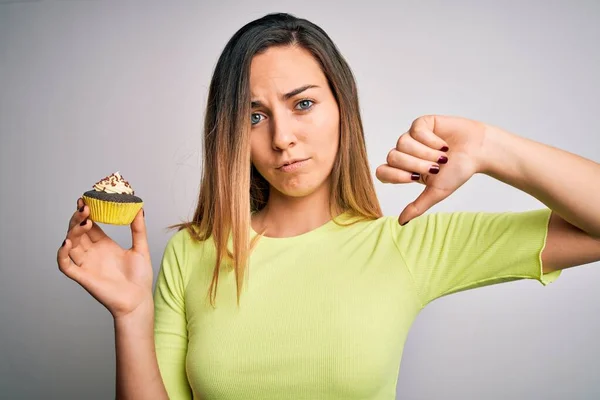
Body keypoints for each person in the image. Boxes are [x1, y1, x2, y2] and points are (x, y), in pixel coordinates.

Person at [57, 12, 600, 400]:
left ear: (343, 108)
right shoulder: (192, 254)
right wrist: (131, 315)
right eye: (254, 116)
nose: (283, 137)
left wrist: (489, 147)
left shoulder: (405, 247)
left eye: (304, 104)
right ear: (231, 135)